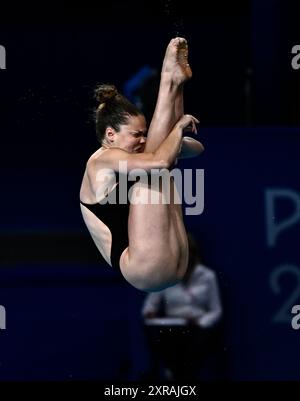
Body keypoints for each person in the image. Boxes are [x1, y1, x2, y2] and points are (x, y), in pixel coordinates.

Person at [79, 38, 204, 292]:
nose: (143, 139)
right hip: (144, 266)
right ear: (111, 135)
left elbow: (196, 149)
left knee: (158, 165)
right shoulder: (101, 160)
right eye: (136, 134)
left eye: (145, 132)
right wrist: (178, 127)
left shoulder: (134, 157)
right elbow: (161, 160)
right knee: (155, 169)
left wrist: (176, 134)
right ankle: (169, 82)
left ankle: (175, 84)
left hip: (172, 262)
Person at [141, 232, 223, 380]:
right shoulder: (166, 275)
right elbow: (149, 306)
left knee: (193, 349)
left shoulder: (207, 276)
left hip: (197, 329)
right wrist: (150, 312)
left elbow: (216, 311)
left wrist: (200, 322)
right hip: (170, 330)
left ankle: (179, 376)